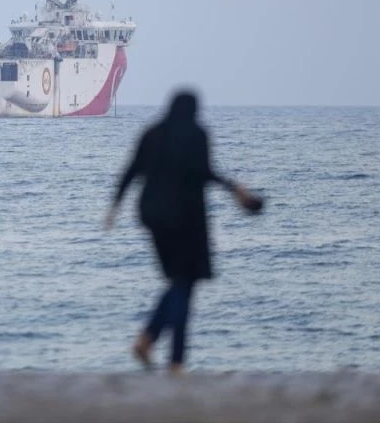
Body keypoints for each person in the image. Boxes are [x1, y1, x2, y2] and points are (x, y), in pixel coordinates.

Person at [104, 90, 263, 375]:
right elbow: (204, 171)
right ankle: (173, 360)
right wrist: (234, 189)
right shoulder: (197, 134)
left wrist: (114, 207)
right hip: (185, 218)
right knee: (184, 285)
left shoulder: (152, 133)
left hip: (152, 216)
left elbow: (131, 170)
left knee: (178, 283)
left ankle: (148, 340)